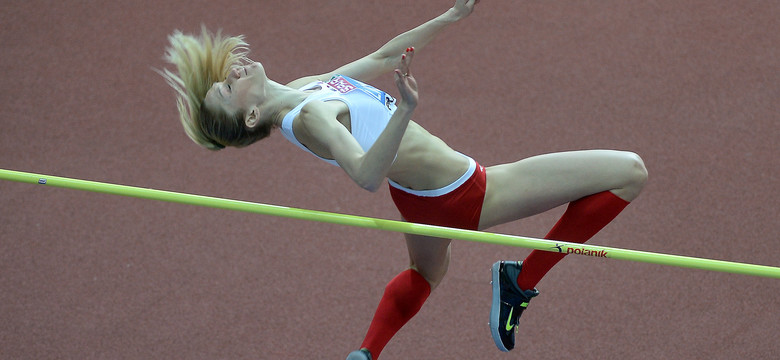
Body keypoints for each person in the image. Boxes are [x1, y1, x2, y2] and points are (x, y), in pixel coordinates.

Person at [159, 0, 647, 359]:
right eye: (228, 88)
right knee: (628, 173)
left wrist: (450, 17)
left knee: (427, 274)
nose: (234, 71)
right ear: (248, 118)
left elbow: (381, 58)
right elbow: (366, 174)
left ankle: (366, 353)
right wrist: (405, 111)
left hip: (418, 198)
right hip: (465, 192)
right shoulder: (312, 118)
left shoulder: (305, 91)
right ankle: (519, 281)